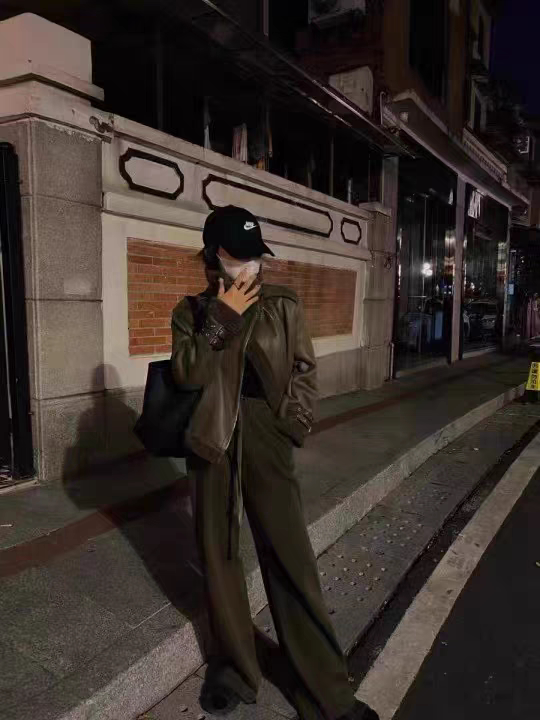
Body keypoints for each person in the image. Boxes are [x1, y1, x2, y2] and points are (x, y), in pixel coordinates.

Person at [171, 205, 379, 720]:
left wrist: (295, 422)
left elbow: (305, 368)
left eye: (255, 256)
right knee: (219, 555)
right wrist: (223, 316)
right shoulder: (192, 312)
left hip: (267, 432)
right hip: (212, 438)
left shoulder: (282, 303)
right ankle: (235, 670)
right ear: (214, 256)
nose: (250, 266)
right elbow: (188, 375)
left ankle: (328, 694)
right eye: (238, 256)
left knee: (290, 556)